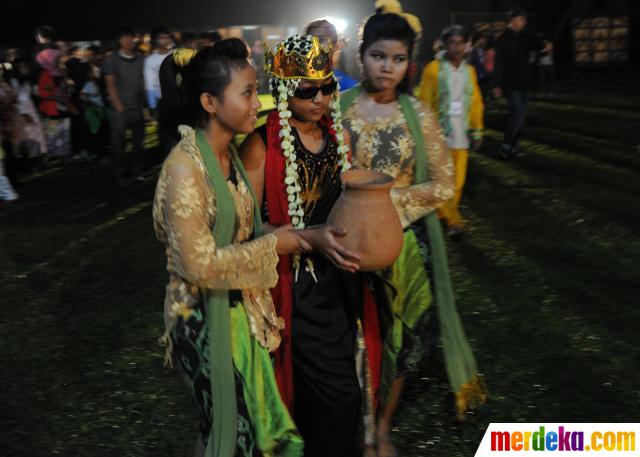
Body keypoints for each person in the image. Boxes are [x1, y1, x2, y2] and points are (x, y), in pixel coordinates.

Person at [341, 3, 487, 456]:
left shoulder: (419, 116)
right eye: (378, 56)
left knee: (400, 339)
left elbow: (442, 184)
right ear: (361, 57)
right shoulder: (337, 110)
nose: (388, 68)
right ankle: (354, 427)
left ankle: (382, 427)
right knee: (349, 337)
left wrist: (384, 205)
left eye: (398, 59)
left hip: (404, 244)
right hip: (342, 242)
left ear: (410, 64)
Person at [153, 39, 306, 457]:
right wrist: (273, 245)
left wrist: (310, 236)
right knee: (232, 431)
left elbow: (240, 236)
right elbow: (198, 265)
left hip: (239, 313)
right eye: (248, 92)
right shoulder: (185, 168)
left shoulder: (228, 156)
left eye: (256, 90)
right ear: (210, 102)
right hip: (203, 321)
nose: (258, 103)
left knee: (236, 429)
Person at [240, 34, 378, 457]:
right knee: (337, 397)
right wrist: (303, 240)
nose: (320, 98)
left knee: (341, 393)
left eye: (327, 86)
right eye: (307, 90)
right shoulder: (261, 146)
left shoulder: (338, 139)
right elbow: (245, 233)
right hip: (294, 288)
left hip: (341, 280)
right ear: (283, 90)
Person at [417, 25, 484, 236]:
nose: (457, 47)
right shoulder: (433, 69)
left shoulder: (469, 71)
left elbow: (475, 102)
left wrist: (477, 129)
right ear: (445, 45)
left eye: (461, 42)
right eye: (452, 43)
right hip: (439, 135)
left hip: (461, 135)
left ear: (466, 45)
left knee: (458, 182)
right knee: (442, 179)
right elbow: (424, 101)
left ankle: (441, 215)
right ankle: (454, 222)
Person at [103, 26, 146, 185]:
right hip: (120, 110)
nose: (128, 40)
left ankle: (137, 172)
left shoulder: (141, 58)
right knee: (118, 145)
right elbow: (110, 84)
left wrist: (143, 103)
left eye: (131, 37)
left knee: (138, 143)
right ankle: (119, 174)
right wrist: (119, 106)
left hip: (137, 108)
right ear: (119, 40)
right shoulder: (112, 59)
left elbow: (143, 81)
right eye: (125, 38)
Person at [493, 9, 530, 160]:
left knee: (520, 117)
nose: (524, 22)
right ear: (512, 20)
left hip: (522, 83)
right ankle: (506, 147)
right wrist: (497, 85)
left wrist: (545, 43)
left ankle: (513, 147)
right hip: (510, 84)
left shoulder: (522, 38)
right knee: (518, 115)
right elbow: (499, 64)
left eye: (524, 19)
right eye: (521, 19)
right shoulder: (503, 39)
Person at [305, 19, 358, 91]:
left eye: (321, 40)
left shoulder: (349, 88)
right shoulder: (291, 83)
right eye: (309, 40)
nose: (313, 45)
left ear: (335, 47)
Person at [144, 26, 172, 113]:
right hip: (161, 101)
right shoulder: (150, 60)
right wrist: (152, 106)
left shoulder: (176, 55)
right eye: (161, 38)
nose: (165, 40)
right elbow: (150, 85)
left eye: (167, 37)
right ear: (155, 40)